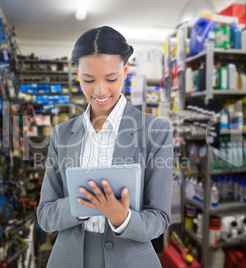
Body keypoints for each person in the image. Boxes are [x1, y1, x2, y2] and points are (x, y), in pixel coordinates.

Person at [36, 26, 174, 268]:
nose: (100, 91)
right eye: (88, 79)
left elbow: (160, 218)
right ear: (78, 71)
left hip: (130, 258)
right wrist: (81, 204)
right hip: (69, 259)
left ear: (125, 69)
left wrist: (123, 218)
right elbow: (45, 216)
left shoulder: (156, 132)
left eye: (111, 78)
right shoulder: (62, 135)